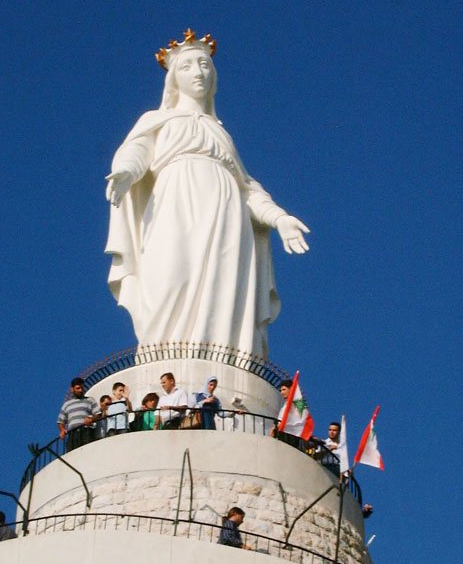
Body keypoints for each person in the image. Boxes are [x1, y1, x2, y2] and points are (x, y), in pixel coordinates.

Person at [105, 29, 310, 361]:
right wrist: (126, 171)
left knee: (223, 295)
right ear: (173, 78)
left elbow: (247, 190)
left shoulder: (220, 133)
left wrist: (279, 218)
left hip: (226, 215)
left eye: (204, 65)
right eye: (187, 66)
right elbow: (137, 151)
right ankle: (162, 364)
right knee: (167, 280)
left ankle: (224, 364)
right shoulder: (158, 120)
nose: (198, 72)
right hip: (172, 205)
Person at [57, 377, 101, 450]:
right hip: (72, 434)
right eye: (78, 388)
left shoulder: (90, 400)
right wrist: (62, 429)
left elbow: (98, 414)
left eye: (81, 388)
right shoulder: (66, 405)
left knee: (88, 451)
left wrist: (91, 419)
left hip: (86, 432)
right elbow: (60, 420)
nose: (80, 390)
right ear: (72, 389)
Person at [270, 379, 305, 450]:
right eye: (281, 390)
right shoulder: (285, 405)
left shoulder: (296, 404)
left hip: (289, 435)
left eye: (284, 390)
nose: (282, 392)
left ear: (291, 389)